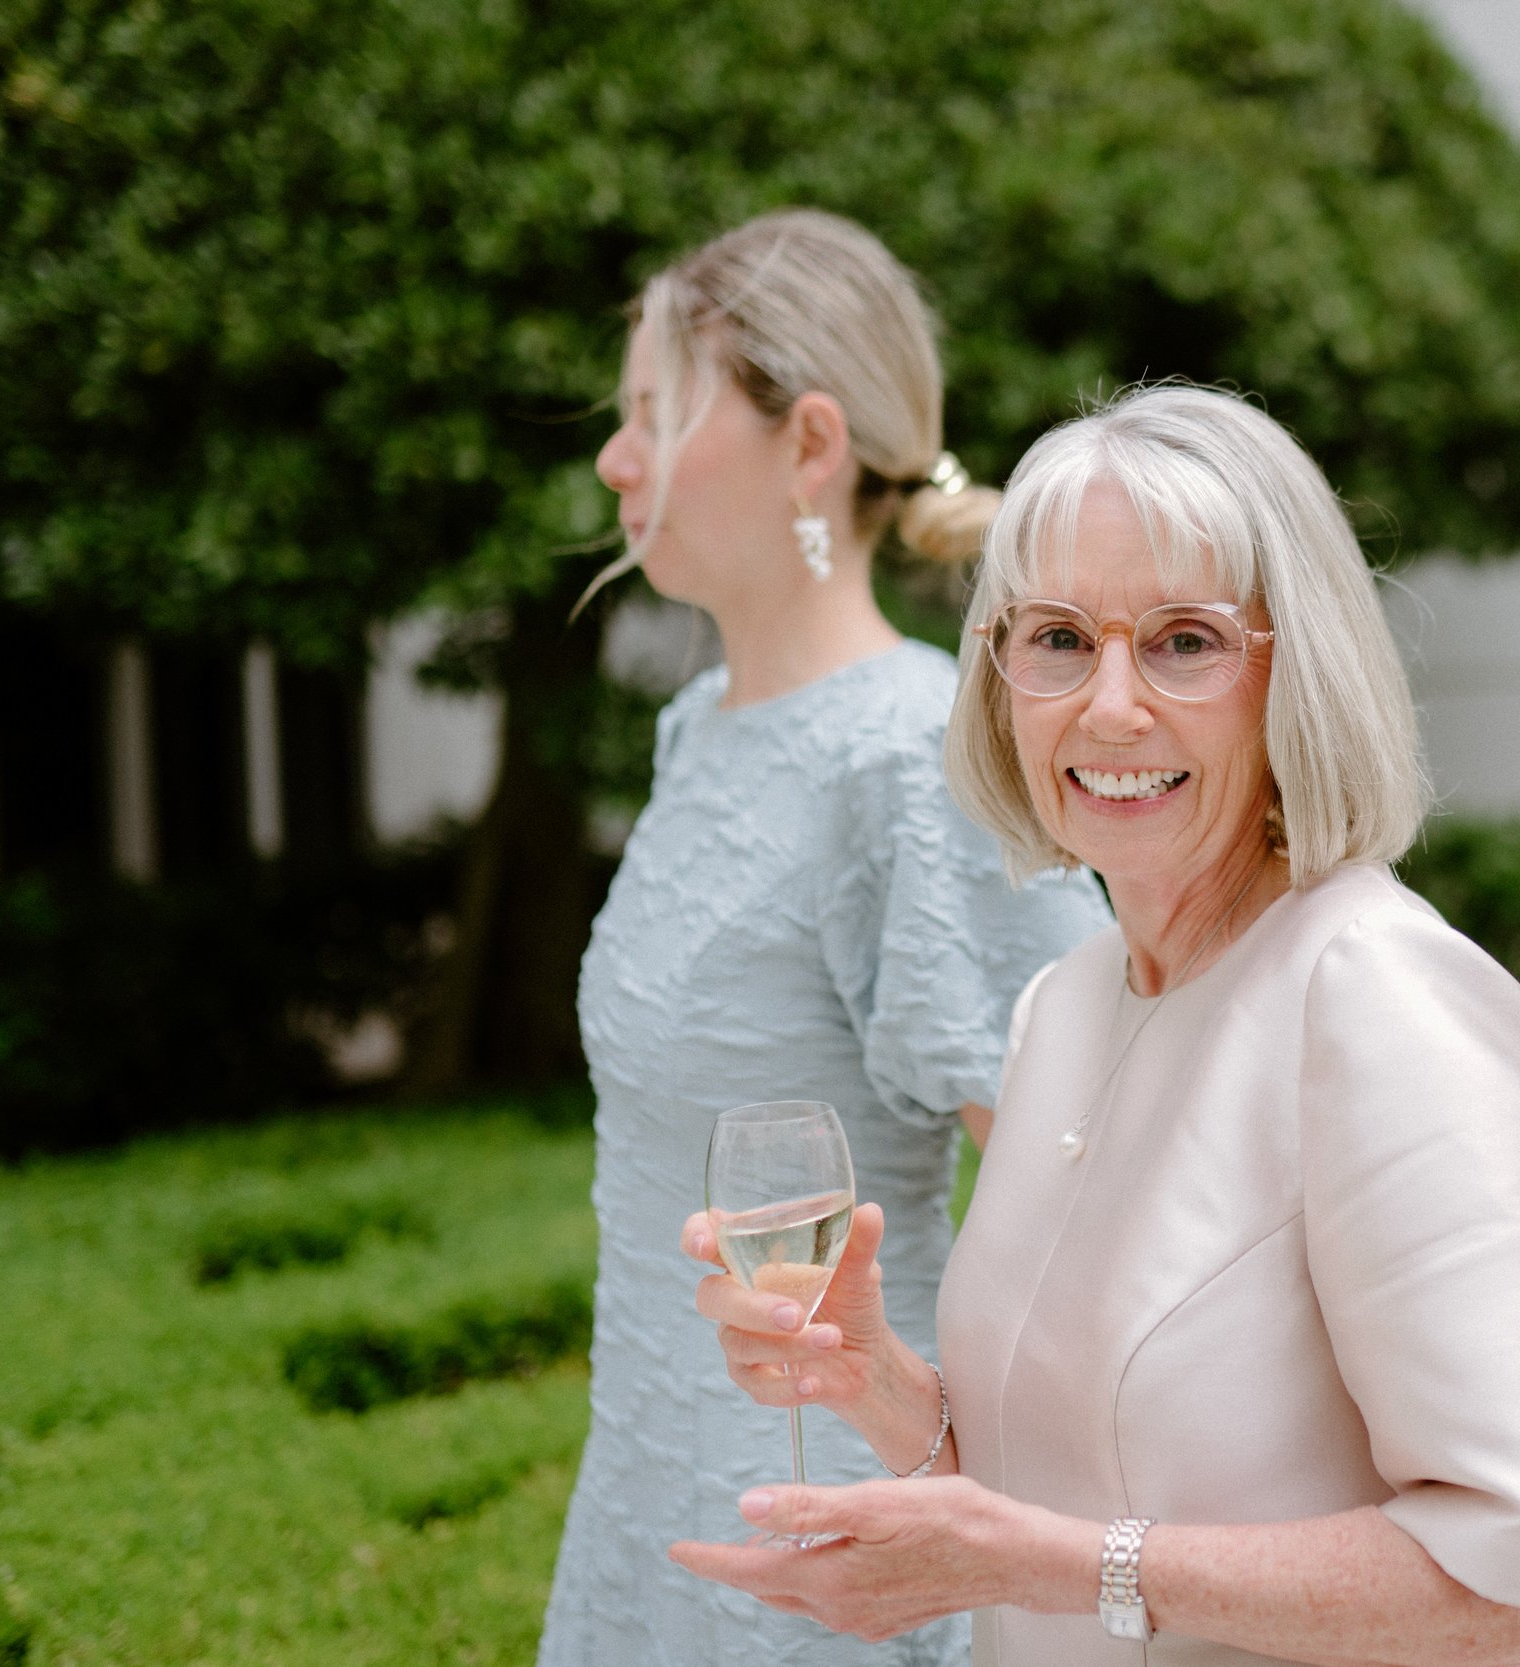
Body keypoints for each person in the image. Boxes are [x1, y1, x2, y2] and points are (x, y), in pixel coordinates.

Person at [669, 385, 1520, 1665]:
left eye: (1185, 640)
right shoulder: (1063, 1006)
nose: (1111, 706)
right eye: (1061, 639)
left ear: (1293, 668)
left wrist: (1056, 1565)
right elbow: (1067, 1485)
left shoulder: (1385, 1001)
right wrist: (872, 1378)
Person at [540, 209, 1111, 1667]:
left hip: (834, 1543)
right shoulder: (694, 732)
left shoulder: (912, 758)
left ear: (809, 444)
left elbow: (1090, 1189)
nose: (617, 459)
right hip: (648, 1476)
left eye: (655, 415)